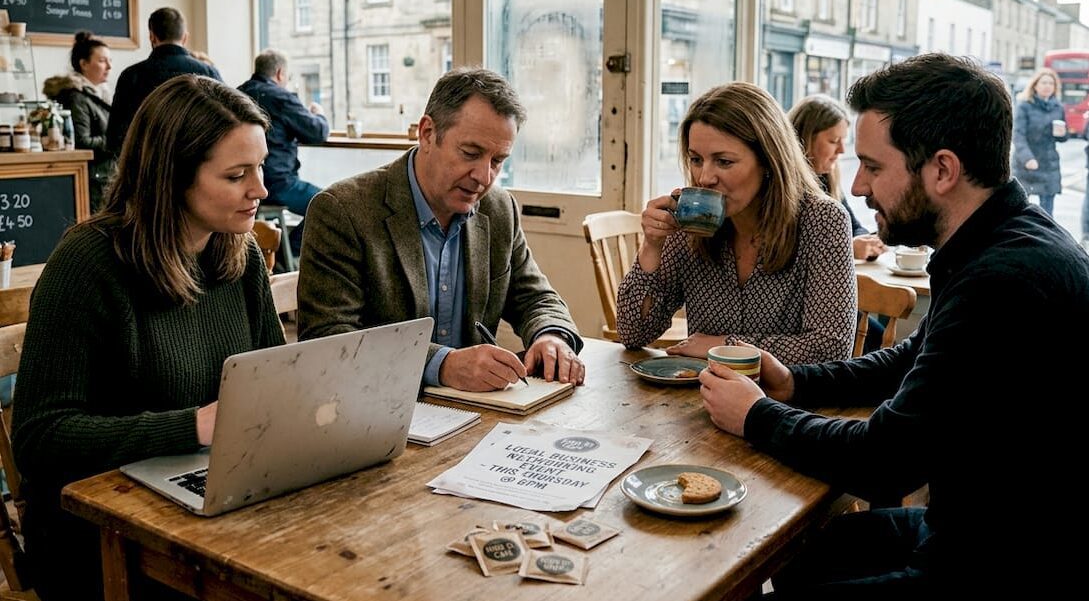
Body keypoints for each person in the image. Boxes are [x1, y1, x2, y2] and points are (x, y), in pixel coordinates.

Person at [699, 53, 1089, 601]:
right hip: (971, 530)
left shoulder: (1005, 279)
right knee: (806, 550)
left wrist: (758, 415)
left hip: (1006, 566)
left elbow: (884, 462)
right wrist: (795, 384)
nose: (856, 186)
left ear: (942, 170)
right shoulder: (999, 240)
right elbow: (908, 359)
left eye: (874, 167)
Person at [12, 75, 285, 601]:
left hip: (204, 497)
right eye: (237, 175)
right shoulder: (88, 263)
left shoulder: (239, 252)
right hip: (97, 533)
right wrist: (191, 426)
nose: (261, 189)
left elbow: (276, 374)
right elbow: (41, 438)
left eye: (259, 166)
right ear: (172, 177)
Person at [298, 67, 585, 391]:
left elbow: (535, 297)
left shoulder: (498, 208)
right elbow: (328, 340)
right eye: (471, 153)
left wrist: (551, 335)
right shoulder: (343, 210)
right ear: (427, 133)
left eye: (497, 161)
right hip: (373, 410)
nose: (484, 176)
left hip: (475, 413)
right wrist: (442, 365)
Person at [615, 82, 856, 364]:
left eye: (724, 162)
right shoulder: (689, 225)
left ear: (768, 160)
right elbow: (633, 333)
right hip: (705, 397)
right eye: (696, 159)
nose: (705, 177)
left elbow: (831, 348)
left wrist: (724, 346)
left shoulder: (822, 220)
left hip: (787, 404)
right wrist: (652, 246)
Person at [239, 49, 330, 256]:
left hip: (244, 182)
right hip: (278, 182)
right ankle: (284, 255)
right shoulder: (281, 97)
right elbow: (317, 132)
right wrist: (319, 114)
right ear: (280, 73)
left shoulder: (238, 93)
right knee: (326, 204)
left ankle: (275, 252)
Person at [104, 7, 222, 153]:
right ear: (185, 37)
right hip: (197, 161)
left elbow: (116, 136)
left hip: (148, 164)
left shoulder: (131, 76)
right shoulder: (209, 72)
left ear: (152, 37)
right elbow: (223, 125)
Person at [787, 94, 885, 261]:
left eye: (843, 141)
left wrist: (865, 241)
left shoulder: (827, 178)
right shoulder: (782, 188)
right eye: (833, 141)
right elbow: (789, 248)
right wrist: (846, 249)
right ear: (804, 140)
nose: (841, 150)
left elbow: (854, 227)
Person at [41, 31, 116, 211]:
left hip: (105, 178)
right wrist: (117, 140)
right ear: (83, 64)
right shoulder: (77, 97)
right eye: (102, 61)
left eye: (110, 60)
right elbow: (82, 142)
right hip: (93, 182)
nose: (109, 67)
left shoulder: (102, 94)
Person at [1012, 66, 1066, 215]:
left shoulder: (1058, 107)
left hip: (1049, 163)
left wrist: (1061, 134)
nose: (1047, 86)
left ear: (1055, 87)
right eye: (1044, 82)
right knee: (1021, 208)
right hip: (1027, 163)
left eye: (1051, 83)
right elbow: (1018, 134)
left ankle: (1046, 237)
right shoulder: (1024, 106)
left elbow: (1062, 138)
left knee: (1047, 211)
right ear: (1035, 85)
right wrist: (1027, 158)